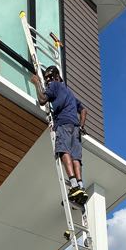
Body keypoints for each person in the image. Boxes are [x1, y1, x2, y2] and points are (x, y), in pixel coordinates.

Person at [30, 65, 88, 203]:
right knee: (76, 158)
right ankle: (80, 186)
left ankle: (73, 186)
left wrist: (37, 82)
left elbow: (42, 100)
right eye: (46, 79)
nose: (48, 80)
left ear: (57, 77)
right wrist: (81, 125)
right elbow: (84, 110)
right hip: (75, 128)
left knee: (63, 151)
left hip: (63, 125)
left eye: (50, 77)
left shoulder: (55, 86)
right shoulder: (69, 93)